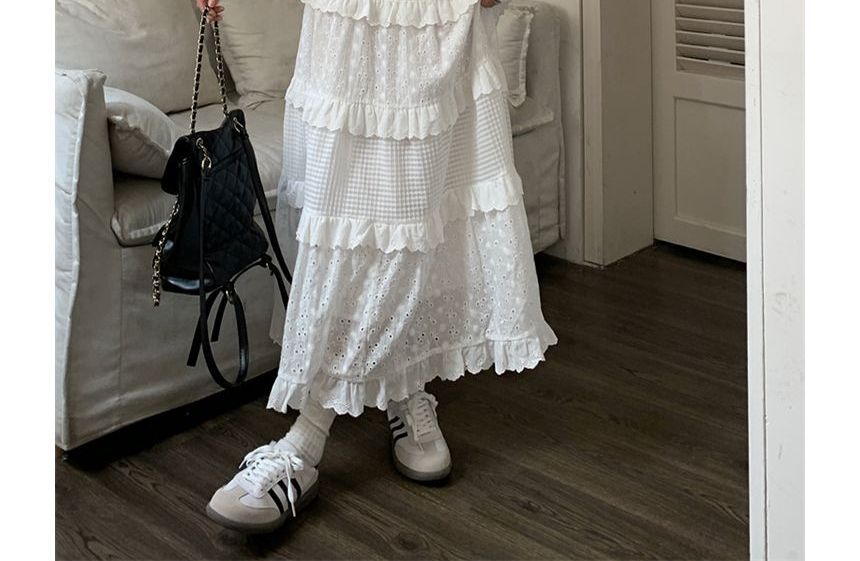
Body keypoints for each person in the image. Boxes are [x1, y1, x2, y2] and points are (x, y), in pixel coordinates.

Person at [198, 0, 557, 533]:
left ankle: (327, 428)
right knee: (348, 227)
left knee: (419, 226)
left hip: (437, 29)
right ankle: (363, 410)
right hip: (343, 32)